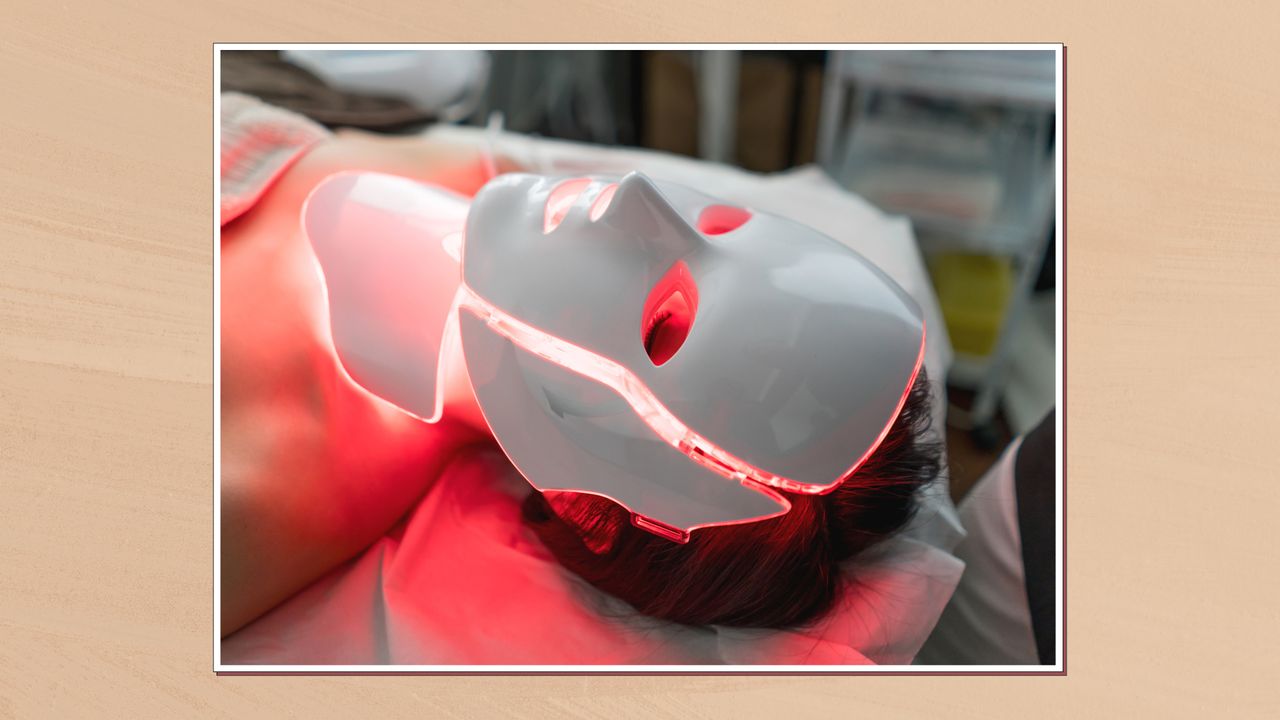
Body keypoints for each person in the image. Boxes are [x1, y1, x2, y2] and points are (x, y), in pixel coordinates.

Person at [220, 105, 959, 661]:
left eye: (664, 323)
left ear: (593, 511)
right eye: (727, 225)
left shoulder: (246, 495)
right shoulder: (488, 174)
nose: (637, 196)